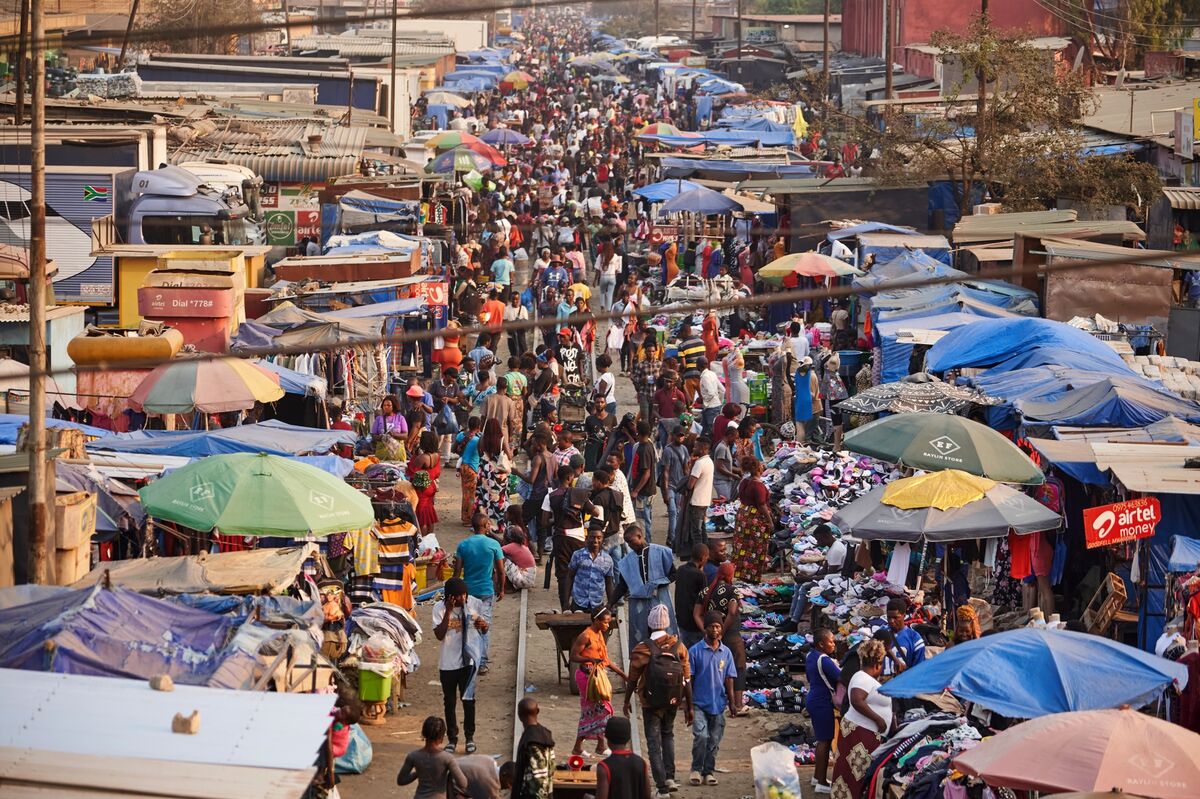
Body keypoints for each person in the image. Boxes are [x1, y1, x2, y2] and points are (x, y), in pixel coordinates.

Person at [624, 604, 693, 799]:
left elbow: (632, 678)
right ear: (667, 624)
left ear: (650, 624)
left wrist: (627, 700)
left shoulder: (643, 648)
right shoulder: (679, 647)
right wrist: (689, 706)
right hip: (673, 701)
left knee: (653, 742)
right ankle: (670, 778)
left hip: (650, 702)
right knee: (668, 735)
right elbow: (687, 679)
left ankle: (661, 788)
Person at [432, 578, 489, 754]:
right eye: (458, 596)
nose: (462, 599)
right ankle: (452, 738)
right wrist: (449, 612)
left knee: (469, 701)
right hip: (448, 663)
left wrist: (483, 626)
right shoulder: (439, 608)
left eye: (464, 595)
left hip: (468, 662)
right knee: (449, 703)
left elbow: (484, 630)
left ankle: (469, 737)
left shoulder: (475, 604)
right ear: (450, 597)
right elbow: (439, 635)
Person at [830, 639, 891, 799]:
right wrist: (879, 719)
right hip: (861, 734)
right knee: (856, 776)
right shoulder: (863, 677)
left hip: (860, 732)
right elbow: (857, 700)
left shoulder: (863, 677)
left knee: (850, 775)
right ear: (878, 663)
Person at [569, 606, 628, 757]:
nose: (608, 625)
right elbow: (574, 656)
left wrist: (623, 675)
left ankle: (593, 746)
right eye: (606, 622)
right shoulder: (586, 636)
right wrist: (589, 659)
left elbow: (606, 661)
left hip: (597, 676)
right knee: (600, 710)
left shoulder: (599, 634)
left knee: (597, 711)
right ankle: (594, 746)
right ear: (596, 621)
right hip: (587, 677)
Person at [687, 612, 737, 787]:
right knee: (701, 736)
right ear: (705, 629)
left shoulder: (726, 652)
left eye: (718, 627)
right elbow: (689, 679)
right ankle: (695, 769)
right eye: (712, 626)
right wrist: (688, 705)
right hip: (699, 702)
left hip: (719, 703)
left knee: (714, 740)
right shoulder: (694, 652)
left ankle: (708, 771)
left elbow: (729, 678)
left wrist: (732, 702)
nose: (715, 630)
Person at [613, 524, 677, 653]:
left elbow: (674, 574)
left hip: (660, 601)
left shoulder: (661, 552)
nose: (630, 546)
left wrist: (658, 583)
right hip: (639, 605)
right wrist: (610, 603)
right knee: (642, 639)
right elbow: (622, 585)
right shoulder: (627, 561)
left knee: (664, 636)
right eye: (628, 543)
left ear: (640, 536)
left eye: (631, 542)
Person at [454, 513, 504, 675]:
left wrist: (454, 592)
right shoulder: (493, 545)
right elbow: (501, 571)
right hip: (486, 591)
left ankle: (467, 660)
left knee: (467, 625)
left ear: (473, 527)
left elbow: (457, 572)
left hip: (468, 592)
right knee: (483, 626)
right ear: (486, 525)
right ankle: (481, 663)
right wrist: (501, 589)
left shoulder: (463, 545)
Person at [694, 561, 746, 716]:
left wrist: (706, 630)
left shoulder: (705, 592)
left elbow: (696, 614)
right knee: (738, 666)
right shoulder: (732, 591)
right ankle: (737, 703)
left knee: (714, 667)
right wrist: (722, 630)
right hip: (730, 635)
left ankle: (714, 701)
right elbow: (731, 613)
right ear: (730, 575)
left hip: (711, 636)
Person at [805, 629, 842, 794]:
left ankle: (817, 777)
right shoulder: (825, 660)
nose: (833, 644)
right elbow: (840, 677)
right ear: (821, 643)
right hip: (822, 702)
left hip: (813, 697)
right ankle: (821, 782)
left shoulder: (811, 656)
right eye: (831, 641)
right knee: (825, 740)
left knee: (823, 739)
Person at [396, 716, 468, 799]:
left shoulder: (413, 756)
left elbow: (401, 780)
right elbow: (463, 783)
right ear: (441, 737)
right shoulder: (447, 758)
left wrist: (418, 772)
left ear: (423, 733)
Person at [732, 457, 773, 582]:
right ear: (758, 468)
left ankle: (742, 574)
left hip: (743, 515)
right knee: (755, 547)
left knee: (743, 546)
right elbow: (761, 505)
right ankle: (752, 577)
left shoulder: (744, 481)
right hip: (754, 518)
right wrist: (770, 521)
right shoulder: (758, 485)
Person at [596, 716, 653, 799]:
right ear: (628, 738)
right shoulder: (641, 762)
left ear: (606, 737)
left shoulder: (604, 767)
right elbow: (647, 795)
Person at [473, 418, 511, 537]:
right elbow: (509, 455)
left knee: (484, 498)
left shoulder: (482, 440)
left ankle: (484, 524)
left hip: (484, 470)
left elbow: (480, 453)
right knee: (498, 498)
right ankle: (498, 525)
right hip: (498, 473)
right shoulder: (501, 440)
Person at [677, 437, 713, 558]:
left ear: (702, 449)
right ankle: (706, 553)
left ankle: (700, 556)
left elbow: (690, 484)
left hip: (696, 501)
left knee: (696, 531)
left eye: (696, 446)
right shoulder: (709, 461)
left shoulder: (700, 463)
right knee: (702, 529)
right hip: (704, 500)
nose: (693, 448)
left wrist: (690, 468)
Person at [512, 698, 556, 799]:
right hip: (548, 792)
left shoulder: (531, 742)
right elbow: (551, 767)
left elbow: (538, 779)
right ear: (538, 711)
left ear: (519, 714)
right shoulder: (546, 734)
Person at [568, 528, 616, 613]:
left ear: (603, 539)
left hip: (597, 603)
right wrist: (565, 603)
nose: (595, 540)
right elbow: (569, 577)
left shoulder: (608, 559)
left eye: (599, 537)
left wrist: (611, 604)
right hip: (578, 602)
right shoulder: (578, 555)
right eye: (592, 537)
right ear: (587, 538)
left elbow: (609, 583)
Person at [659, 426, 690, 549]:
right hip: (671, 486)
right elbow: (665, 472)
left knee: (677, 513)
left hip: (680, 486)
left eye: (682, 435)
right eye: (679, 435)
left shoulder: (684, 449)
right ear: (673, 435)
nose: (680, 437)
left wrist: (688, 484)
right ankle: (672, 539)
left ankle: (674, 538)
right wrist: (665, 492)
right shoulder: (668, 451)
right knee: (672, 512)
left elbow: (685, 467)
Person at [407, 431, 442, 537]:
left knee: (422, 516)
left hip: (422, 489)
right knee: (429, 513)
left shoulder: (422, 458)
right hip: (431, 487)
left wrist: (415, 454)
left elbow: (411, 471)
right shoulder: (437, 456)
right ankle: (430, 537)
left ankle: (422, 538)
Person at [628, 421, 658, 536]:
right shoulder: (645, 444)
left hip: (644, 492)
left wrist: (636, 490)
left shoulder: (645, 449)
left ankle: (645, 543)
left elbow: (647, 473)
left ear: (638, 432)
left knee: (643, 520)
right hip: (644, 491)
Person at [455, 416, 482, 525]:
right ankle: (469, 518)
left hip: (463, 466)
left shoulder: (461, 435)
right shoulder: (478, 439)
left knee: (465, 493)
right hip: (473, 468)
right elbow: (481, 453)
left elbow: (454, 448)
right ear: (479, 427)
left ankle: (465, 517)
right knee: (471, 495)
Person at [885, 597, 927, 668]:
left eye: (895, 618)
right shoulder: (881, 635)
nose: (891, 621)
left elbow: (919, 669)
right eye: (889, 617)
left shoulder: (914, 639)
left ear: (904, 616)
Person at [371, 394, 409, 460]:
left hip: (397, 454)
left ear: (394, 406)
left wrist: (394, 435)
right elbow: (373, 435)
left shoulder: (400, 418)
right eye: (384, 405)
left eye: (388, 405)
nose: (386, 407)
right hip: (382, 454)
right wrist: (382, 437)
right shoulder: (378, 419)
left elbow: (405, 435)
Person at [793, 356, 821, 442]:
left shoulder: (802, 374)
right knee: (808, 432)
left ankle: (801, 446)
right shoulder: (810, 375)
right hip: (809, 404)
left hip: (806, 404)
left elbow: (812, 394)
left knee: (802, 429)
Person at [584, 397, 616, 471]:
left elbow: (614, 434)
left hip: (606, 451)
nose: (600, 404)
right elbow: (586, 433)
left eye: (602, 402)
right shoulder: (589, 419)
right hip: (592, 451)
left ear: (606, 404)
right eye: (597, 402)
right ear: (594, 404)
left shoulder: (612, 418)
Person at [711, 423, 739, 501]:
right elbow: (719, 466)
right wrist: (733, 475)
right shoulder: (722, 447)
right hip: (721, 481)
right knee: (724, 502)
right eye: (735, 438)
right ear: (730, 436)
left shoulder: (726, 446)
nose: (735, 441)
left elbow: (725, 465)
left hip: (725, 480)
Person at [698, 358, 725, 437]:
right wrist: (719, 402)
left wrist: (703, 400)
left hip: (711, 408)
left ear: (698, 366)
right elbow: (722, 390)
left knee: (712, 432)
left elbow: (711, 393)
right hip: (713, 407)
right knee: (703, 430)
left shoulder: (705, 377)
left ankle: (712, 448)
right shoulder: (712, 374)